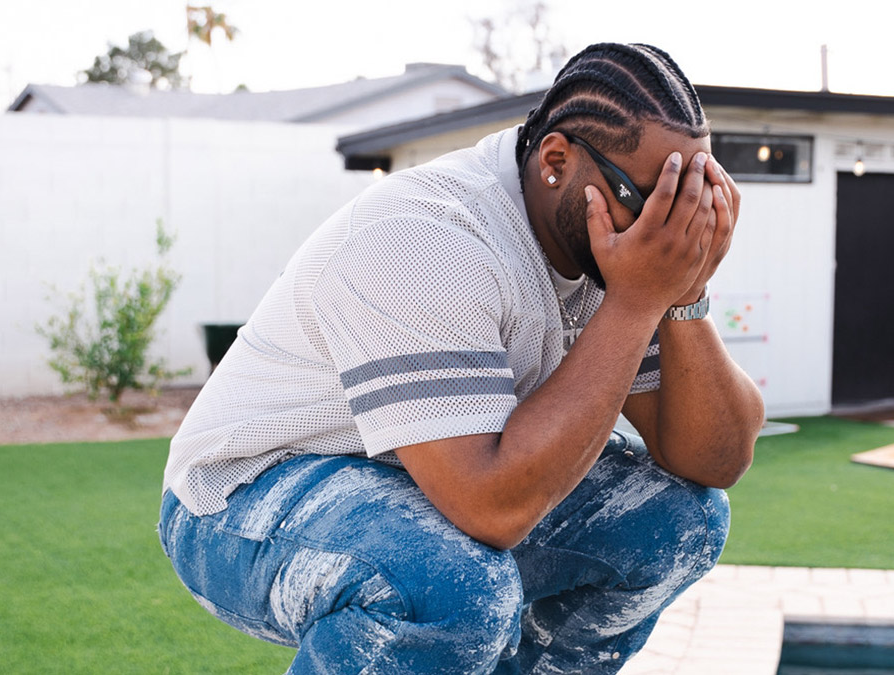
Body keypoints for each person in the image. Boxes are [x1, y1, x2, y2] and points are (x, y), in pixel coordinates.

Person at [158, 42, 764, 674]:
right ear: (557, 160)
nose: (670, 227)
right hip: (242, 495)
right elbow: (489, 507)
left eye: (695, 196)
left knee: (678, 523)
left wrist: (682, 294)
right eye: (653, 199)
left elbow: (713, 458)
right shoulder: (428, 235)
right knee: (449, 587)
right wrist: (639, 301)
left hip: (423, 480)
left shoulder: (612, 248)